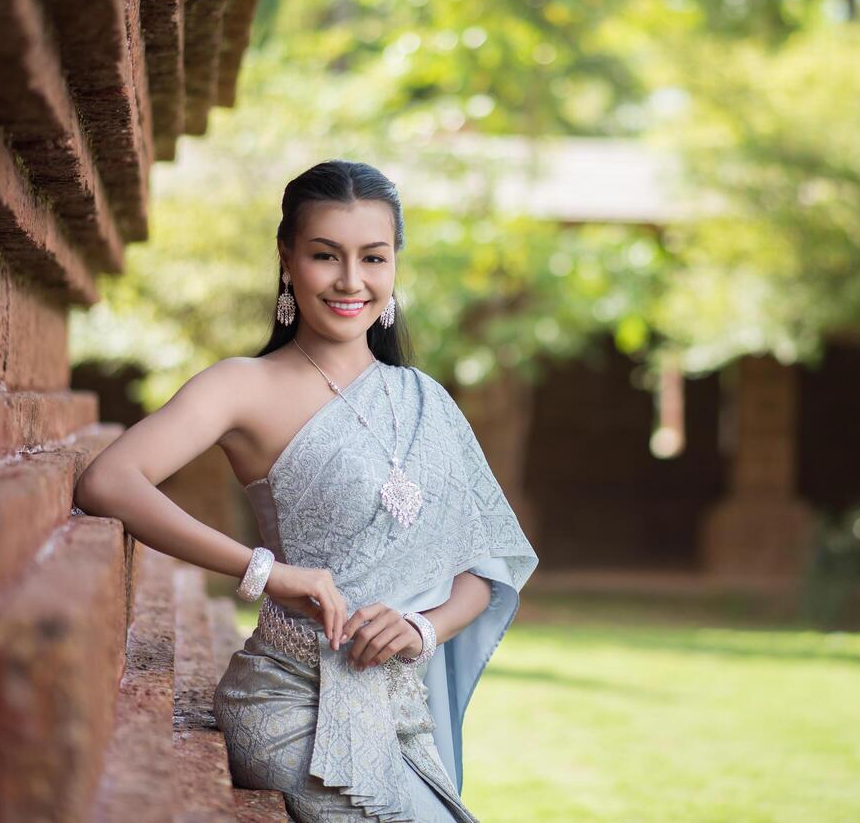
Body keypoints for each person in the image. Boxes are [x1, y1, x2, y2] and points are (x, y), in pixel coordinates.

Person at [73, 159, 539, 822]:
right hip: (294, 705)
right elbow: (109, 480)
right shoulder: (243, 386)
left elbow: (482, 569)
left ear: (394, 266)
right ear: (287, 259)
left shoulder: (425, 401)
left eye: (373, 258)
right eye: (326, 255)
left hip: (398, 713)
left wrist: (420, 627)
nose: (351, 281)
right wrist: (267, 571)